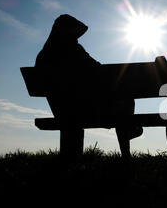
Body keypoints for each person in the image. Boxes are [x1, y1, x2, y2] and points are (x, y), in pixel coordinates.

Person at [35, 14, 142, 158]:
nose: (77, 38)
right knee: (125, 100)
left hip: (62, 111)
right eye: (74, 33)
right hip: (86, 110)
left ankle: (70, 162)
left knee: (117, 103)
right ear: (69, 32)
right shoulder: (74, 50)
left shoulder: (42, 56)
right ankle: (126, 153)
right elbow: (98, 69)